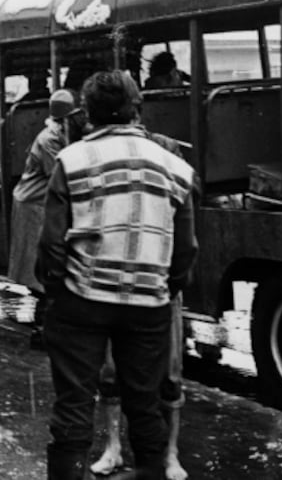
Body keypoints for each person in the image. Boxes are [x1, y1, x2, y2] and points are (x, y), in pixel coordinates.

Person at [38, 69, 197, 479]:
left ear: (87, 113)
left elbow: (51, 243)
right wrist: (162, 288)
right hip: (148, 305)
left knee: (73, 404)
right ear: (136, 109)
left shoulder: (69, 160)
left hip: (82, 300)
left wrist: (56, 294)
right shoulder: (175, 167)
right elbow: (185, 251)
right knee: (145, 405)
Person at [91, 126, 194, 480]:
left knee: (169, 372)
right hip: (117, 287)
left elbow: (186, 240)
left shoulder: (169, 170)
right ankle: (113, 448)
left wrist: (171, 286)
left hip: (159, 288)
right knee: (111, 372)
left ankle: (171, 454)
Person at [7, 89, 76, 349]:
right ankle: (42, 330)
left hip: (42, 203)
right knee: (41, 270)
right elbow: (61, 173)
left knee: (44, 271)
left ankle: (46, 328)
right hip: (33, 204)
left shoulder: (58, 134)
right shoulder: (49, 139)